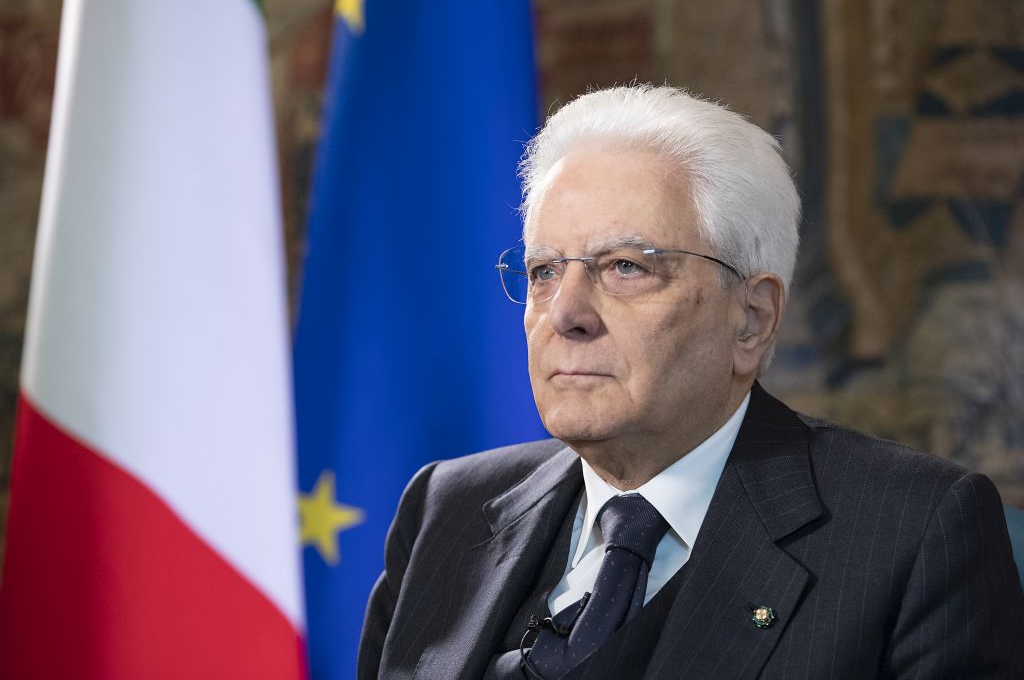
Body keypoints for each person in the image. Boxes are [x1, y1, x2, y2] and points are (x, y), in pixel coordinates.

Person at [357, 85, 1024, 679]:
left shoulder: (912, 532)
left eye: (625, 267)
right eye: (544, 272)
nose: (565, 313)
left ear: (751, 318)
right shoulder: (445, 510)